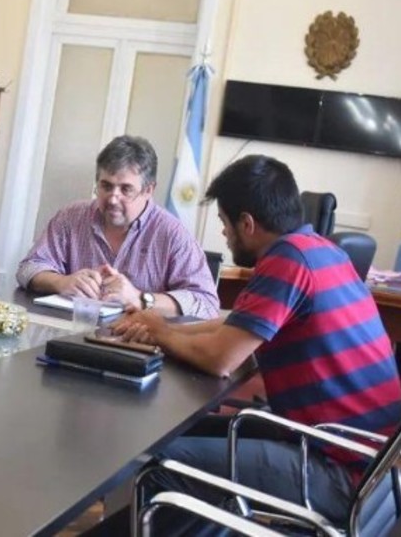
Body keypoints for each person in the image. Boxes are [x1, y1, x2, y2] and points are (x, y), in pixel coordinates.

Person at [115, 154, 401, 527]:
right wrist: (155, 328)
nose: (223, 234)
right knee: (187, 433)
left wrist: (163, 332)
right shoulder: (321, 250)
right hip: (370, 467)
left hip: (340, 470)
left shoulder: (288, 262)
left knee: (160, 463)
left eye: (223, 223)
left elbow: (222, 358)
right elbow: (236, 327)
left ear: (247, 223)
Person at [16, 135, 219, 319]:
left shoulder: (172, 234)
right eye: (106, 186)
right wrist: (62, 282)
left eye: (126, 189)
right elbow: (28, 268)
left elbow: (207, 304)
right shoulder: (71, 217)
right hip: (68, 333)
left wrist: (140, 299)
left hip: (137, 346)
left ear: (148, 190)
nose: (113, 198)